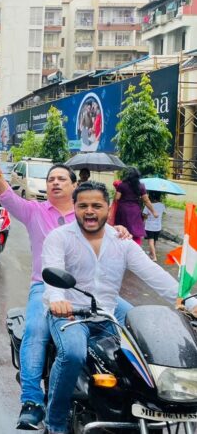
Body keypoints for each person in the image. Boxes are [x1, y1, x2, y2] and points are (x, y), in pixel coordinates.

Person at [0, 149, 131, 431]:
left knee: (135, 321)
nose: (55, 182)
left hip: (91, 293)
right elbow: (7, 197)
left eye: (62, 178)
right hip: (46, 288)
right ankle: (32, 402)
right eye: (51, 179)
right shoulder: (34, 211)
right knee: (36, 331)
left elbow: (110, 239)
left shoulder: (87, 214)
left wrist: (120, 230)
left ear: (75, 186)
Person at [41, 181, 197, 434]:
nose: (89, 211)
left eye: (96, 206)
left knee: (140, 364)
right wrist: (58, 299)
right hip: (70, 316)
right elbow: (52, 272)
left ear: (108, 207)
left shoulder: (122, 241)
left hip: (107, 317)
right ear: (75, 207)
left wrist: (189, 301)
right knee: (73, 354)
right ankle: (55, 422)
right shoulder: (59, 238)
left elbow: (153, 273)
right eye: (83, 206)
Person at [113, 166, 158, 245]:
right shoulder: (141, 186)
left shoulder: (122, 185)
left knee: (122, 230)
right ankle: (135, 249)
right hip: (135, 210)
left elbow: (117, 198)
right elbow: (146, 201)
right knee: (135, 231)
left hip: (123, 210)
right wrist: (154, 212)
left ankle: (122, 247)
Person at [143, 191, 165, 262]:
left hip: (150, 226)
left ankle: (154, 257)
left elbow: (144, 215)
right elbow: (162, 213)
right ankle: (151, 253)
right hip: (158, 226)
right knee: (154, 241)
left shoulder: (148, 205)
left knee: (150, 241)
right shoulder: (162, 205)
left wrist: (147, 215)